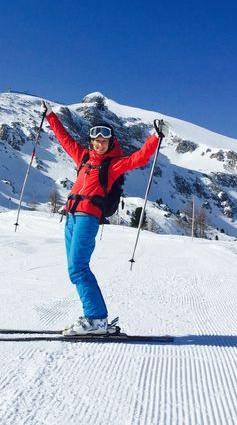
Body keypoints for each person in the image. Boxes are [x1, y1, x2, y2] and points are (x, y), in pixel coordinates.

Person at [42, 100, 169, 335]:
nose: (100, 144)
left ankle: (96, 319)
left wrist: (155, 136)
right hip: (70, 218)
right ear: (91, 141)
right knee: (74, 269)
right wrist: (50, 116)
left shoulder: (112, 165)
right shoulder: (82, 157)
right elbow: (64, 139)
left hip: (87, 219)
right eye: (97, 141)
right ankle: (95, 317)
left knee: (79, 268)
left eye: (104, 141)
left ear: (110, 143)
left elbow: (139, 158)